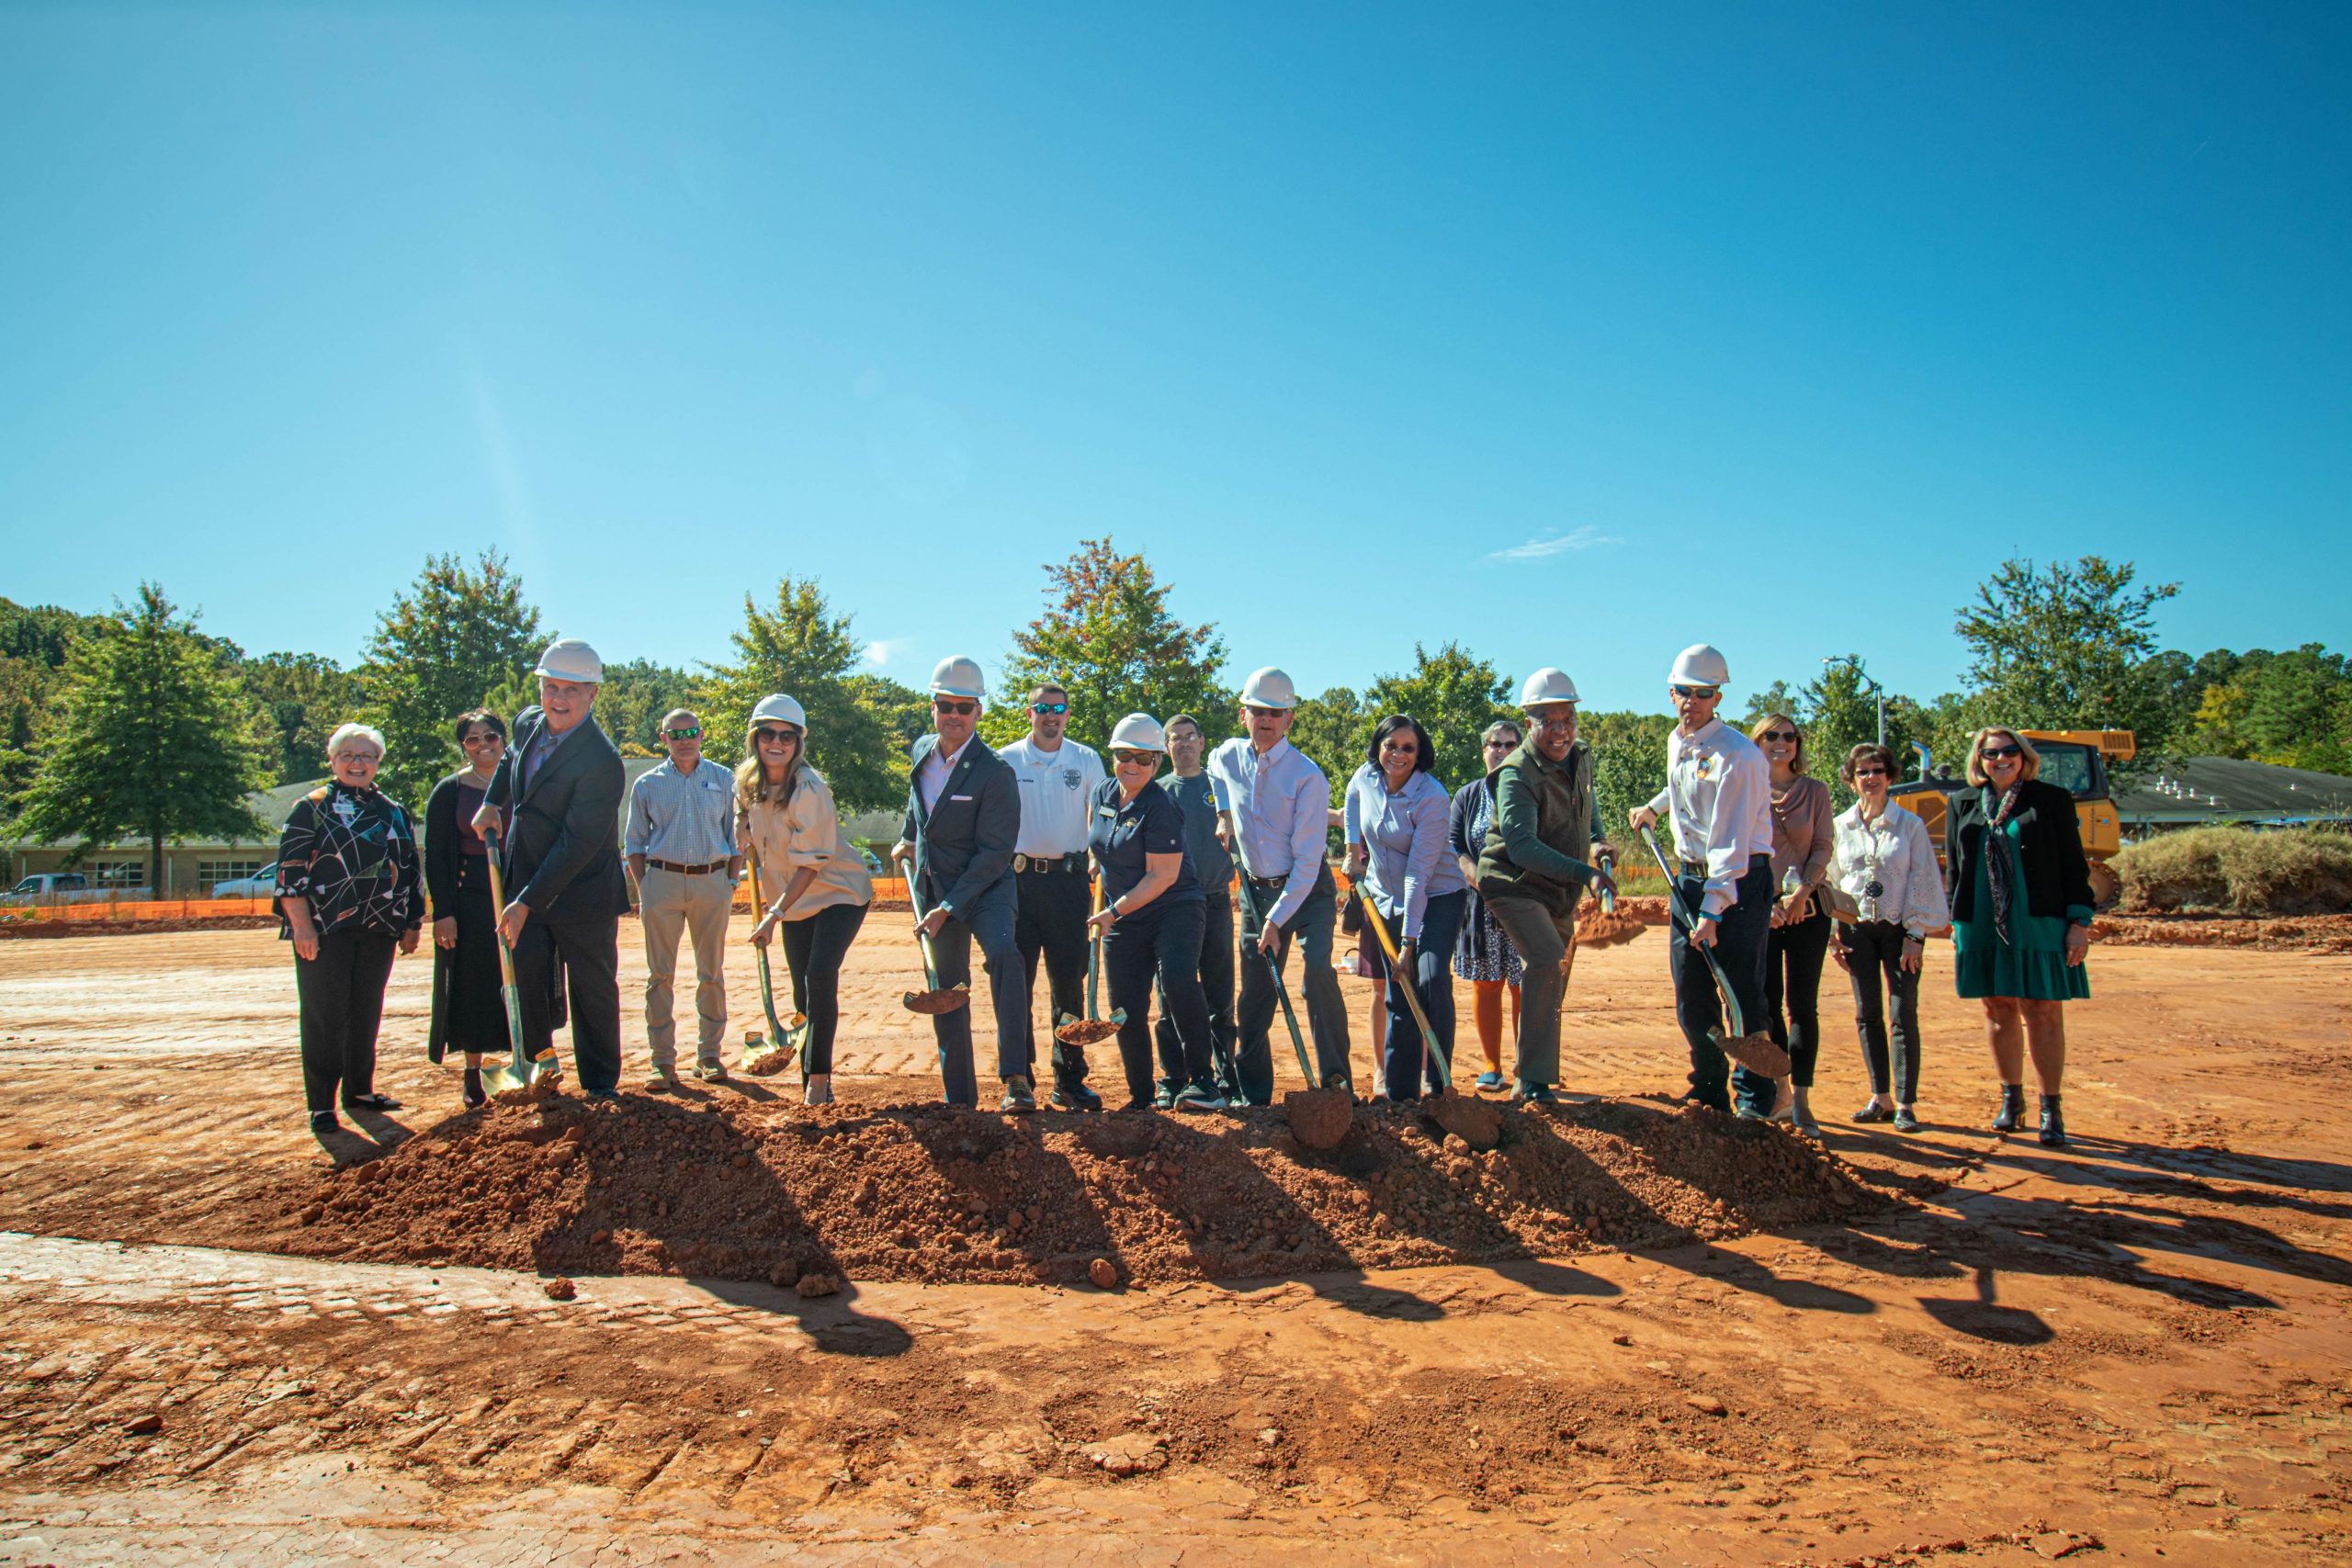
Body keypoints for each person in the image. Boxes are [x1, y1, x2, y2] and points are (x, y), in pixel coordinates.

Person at [472, 637, 631, 1100]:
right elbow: (508, 762)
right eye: (551, 687)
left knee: (591, 986)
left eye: (572, 690)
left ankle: (601, 1085)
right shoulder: (527, 723)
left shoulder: (602, 761)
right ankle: (538, 1071)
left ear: (592, 694)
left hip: (582, 889)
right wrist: (491, 803)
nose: (559, 699)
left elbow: (577, 843)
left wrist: (526, 902)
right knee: (525, 976)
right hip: (526, 873)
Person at [1627, 645, 1775, 1116]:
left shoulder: (1739, 756)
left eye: (1703, 693)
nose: (1692, 701)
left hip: (1738, 883)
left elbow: (1729, 844)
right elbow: (1683, 784)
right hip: (1687, 880)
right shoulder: (1678, 741)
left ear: (1717, 697)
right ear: (1671, 693)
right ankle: (1709, 1088)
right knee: (1691, 994)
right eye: (1684, 692)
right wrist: (1655, 807)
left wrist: (1712, 913)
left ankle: (1755, 1096)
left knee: (1739, 991)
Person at [1205, 667, 1351, 1104]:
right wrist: (1224, 812)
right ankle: (1254, 1095)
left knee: (1316, 974)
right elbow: (1214, 770)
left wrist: (1274, 920)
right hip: (1254, 889)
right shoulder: (1228, 755)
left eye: (1276, 712)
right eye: (1257, 711)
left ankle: (1335, 1084)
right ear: (1243, 715)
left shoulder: (1308, 776)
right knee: (1255, 997)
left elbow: (1308, 865)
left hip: (1308, 892)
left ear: (1289, 719)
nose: (1266, 720)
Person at [893, 655, 1030, 1111]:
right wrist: (908, 839)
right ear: (933, 707)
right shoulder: (920, 753)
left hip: (986, 890)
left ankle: (1016, 1078)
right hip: (936, 890)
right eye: (945, 704)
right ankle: (960, 1101)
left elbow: (995, 853)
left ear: (979, 712)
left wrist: (950, 906)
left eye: (964, 706)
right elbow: (918, 806)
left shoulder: (995, 772)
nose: (954, 714)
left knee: (1006, 957)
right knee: (947, 987)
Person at [1946, 728, 2094, 1147]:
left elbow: (2073, 863)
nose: (2001, 759)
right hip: (1980, 919)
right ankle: (2011, 1099)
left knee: (2042, 1008)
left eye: (2010, 751)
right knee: (1996, 1007)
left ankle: (2051, 1108)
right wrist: (1957, 922)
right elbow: (1956, 868)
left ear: (2024, 756)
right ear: (1980, 759)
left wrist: (2079, 922)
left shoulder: (2050, 800)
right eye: (1991, 753)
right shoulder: (1962, 802)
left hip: (2039, 918)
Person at [277, 722, 424, 1134]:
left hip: (379, 929)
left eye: (366, 756)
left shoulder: (393, 811)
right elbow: (290, 873)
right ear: (332, 760)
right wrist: (301, 926)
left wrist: (412, 921)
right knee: (326, 1015)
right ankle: (321, 1104)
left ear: (378, 762)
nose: (357, 764)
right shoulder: (312, 806)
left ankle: (359, 1090)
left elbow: (410, 868)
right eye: (348, 756)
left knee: (365, 1011)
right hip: (325, 931)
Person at [1476, 670, 1613, 1105]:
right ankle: (1533, 1082)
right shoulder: (1517, 774)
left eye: (1567, 719)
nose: (1560, 731)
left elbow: (1586, 807)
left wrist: (1598, 840)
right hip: (1513, 884)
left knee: (1554, 976)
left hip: (1558, 888)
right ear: (1529, 723)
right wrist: (1585, 873)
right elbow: (1521, 847)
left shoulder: (1580, 755)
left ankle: (1530, 1079)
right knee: (1546, 961)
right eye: (1548, 721)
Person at [739, 694, 874, 1108]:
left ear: (799, 742)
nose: (776, 743)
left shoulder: (810, 789)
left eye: (787, 735)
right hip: (793, 900)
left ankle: (818, 1081)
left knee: (818, 976)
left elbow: (810, 866)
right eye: (767, 734)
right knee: (801, 993)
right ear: (755, 739)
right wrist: (741, 825)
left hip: (839, 893)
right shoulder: (748, 783)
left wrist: (773, 914)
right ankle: (808, 1080)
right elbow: (741, 810)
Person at [1086, 714, 1223, 1111]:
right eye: (1123, 755)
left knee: (1178, 982)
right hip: (1123, 912)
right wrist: (1099, 858)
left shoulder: (1163, 807)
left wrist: (1113, 911)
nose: (1132, 765)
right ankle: (1142, 1097)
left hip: (1173, 906)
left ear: (1156, 763)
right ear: (1113, 756)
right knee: (1125, 1006)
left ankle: (1203, 1082)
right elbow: (1098, 832)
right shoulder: (1103, 793)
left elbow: (1162, 876)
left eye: (1143, 758)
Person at [1344, 715, 1468, 1102]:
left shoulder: (1431, 797)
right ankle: (1400, 1094)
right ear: (1379, 746)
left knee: (1428, 979)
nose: (1397, 754)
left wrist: (1409, 944)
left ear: (1419, 754)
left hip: (1439, 897)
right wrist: (1352, 851)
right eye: (1390, 745)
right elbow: (1350, 800)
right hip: (1385, 896)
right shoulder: (1365, 776)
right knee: (1398, 991)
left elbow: (1418, 876)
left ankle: (1437, 1084)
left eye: (1408, 748)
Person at [998, 682, 1109, 1111]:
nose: (1050, 715)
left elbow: (1101, 815)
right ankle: (1018, 1081)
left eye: (1058, 708)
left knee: (1068, 987)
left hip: (1068, 884)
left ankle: (1069, 1080)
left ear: (1067, 713)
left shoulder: (1084, 759)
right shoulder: (1005, 760)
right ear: (1029, 713)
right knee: (1016, 987)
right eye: (1042, 708)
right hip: (1018, 884)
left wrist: (1100, 860)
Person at [1827, 742, 1949, 1134]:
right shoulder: (1839, 826)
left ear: (1890, 777)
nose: (1871, 778)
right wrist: (1833, 933)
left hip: (1901, 931)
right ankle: (1880, 1097)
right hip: (1855, 930)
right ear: (1850, 780)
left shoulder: (1910, 825)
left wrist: (1916, 933)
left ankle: (1906, 1103)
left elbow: (1923, 878)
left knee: (1901, 1013)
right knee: (1867, 1015)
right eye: (1862, 772)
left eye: (1878, 771)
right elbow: (1830, 880)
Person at [625, 707, 743, 1089]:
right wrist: (647, 887)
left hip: (712, 883)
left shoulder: (724, 779)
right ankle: (662, 1063)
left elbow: (736, 836)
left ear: (702, 734)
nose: (684, 739)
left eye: (691, 731)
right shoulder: (647, 784)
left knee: (711, 973)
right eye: (675, 734)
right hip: (662, 882)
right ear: (663, 739)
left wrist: (729, 882)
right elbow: (633, 843)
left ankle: (709, 1056)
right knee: (660, 976)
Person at [425, 710, 526, 1109]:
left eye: (491, 736)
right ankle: (473, 1071)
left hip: (518, 894)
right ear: (463, 746)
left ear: (504, 740)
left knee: (523, 977)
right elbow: (435, 856)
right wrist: (443, 911)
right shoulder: (450, 791)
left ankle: (530, 1056)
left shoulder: (520, 784)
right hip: (471, 898)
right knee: (475, 983)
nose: (483, 745)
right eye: (472, 739)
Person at [1754, 712, 1835, 1133]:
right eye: (1771, 735)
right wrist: (1763, 901)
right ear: (1757, 742)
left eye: (1789, 736)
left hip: (1808, 910)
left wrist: (1803, 892)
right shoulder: (1746, 789)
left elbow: (1823, 846)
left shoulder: (1815, 791)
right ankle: (1779, 1090)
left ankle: (1802, 1099)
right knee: (1767, 1004)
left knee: (1802, 1004)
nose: (1781, 742)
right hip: (1761, 911)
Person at [1156, 713, 1238, 1102]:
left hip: (1216, 901)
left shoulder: (1220, 787)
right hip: (1169, 907)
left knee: (1220, 998)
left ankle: (1226, 1079)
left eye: (1191, 736)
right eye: (1176, 738)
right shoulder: (1157, 792)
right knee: (1170, 993)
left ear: (1203, 742)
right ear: (1166, 746)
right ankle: (1173, 1077)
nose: (1184, 744)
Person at [1450, 719, 1525, 1092]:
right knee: (1487, 985)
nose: (1502, 750)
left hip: (1527, 904)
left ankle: (1528, 1067)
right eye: (1496, 744)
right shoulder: (1468, 795)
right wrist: (1476, 877)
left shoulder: (1533, 791)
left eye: (1512, 745)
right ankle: (1492, 1065)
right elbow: (1454, 845)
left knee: (1524, 986)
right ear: (1484, 750)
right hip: (1481, 905)